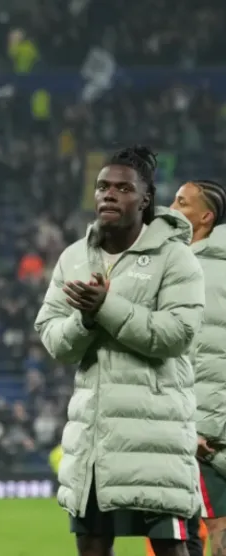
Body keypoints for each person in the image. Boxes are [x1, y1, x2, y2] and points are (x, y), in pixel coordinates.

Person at [35, 146, 205, 556]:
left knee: (171, 550)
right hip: (94, 444)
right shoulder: (74, 257)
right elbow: (54, 341)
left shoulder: (175, 257)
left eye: (123, 188)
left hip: (157, 440)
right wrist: (85, 320)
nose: (109, 194)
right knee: (92, 549)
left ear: (145, 200)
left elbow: (178, 335)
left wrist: (106, 307)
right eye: (102, 187)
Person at [168, 179, 226, 556]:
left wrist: (203, 427)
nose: (172, 209)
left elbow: (211, 354)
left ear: (206, 217)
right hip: (193, 423)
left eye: (182, 203)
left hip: (204, 433)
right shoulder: (178, 262)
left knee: (215, 527)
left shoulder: (197, 270)